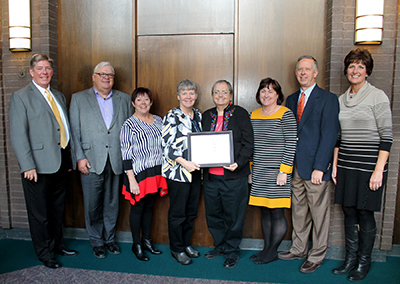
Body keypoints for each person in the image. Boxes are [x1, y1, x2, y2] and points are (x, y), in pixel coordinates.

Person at [9, 53, 78, 269]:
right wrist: (27, 164)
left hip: (59, 163)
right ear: (31, 72)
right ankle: (45, 253)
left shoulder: (58, 95)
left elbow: (63, 128)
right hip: (36, 167)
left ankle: (57, 245)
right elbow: (18, 134)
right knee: (40, 214)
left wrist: (68, 160)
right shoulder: (21, 97)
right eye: (40, 68)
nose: (44, 72)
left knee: (57, 210)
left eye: (47, 68)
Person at [331, 48, 393, 281]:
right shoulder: (341, 99)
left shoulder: (378, 96)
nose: (355, 70)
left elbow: (387, 137)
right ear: (346, 70)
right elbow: (338, 137)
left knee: (365, 213)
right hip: (346, 164)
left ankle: (363, 263)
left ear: (367, 71)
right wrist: (335, 165)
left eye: (360, 66)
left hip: (370, 166)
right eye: (352, 66)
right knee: (348, 210)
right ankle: (349, 259)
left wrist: (379, 170)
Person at [278, 55, 339, 273]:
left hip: (315, 168)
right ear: (296, 73)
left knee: (319, 215)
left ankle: (316, 255)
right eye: (299, 70)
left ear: (315, 73)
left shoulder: (328, 99)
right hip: (295, 167)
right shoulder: (292, 99)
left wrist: (320, 167)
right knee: (299, 212)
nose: (303, 73)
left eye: (307, 69)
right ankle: (298, 248)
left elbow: (330, 134)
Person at [69, 62, 133, 259]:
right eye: (102, 74)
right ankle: (97, 241)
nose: (106, 77)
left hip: (116, 160)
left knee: (112, 203)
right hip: (90, 160)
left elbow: (129, 131)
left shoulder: (124, 99)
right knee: (92, 204)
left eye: (110, 75)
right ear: (93, 77)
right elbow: (74, 131)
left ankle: (110, 239)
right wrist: (79, 157)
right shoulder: (79, 98)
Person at [202, 80, 254, 269]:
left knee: (234, 216)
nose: (220, 95)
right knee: (213, 214)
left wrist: (239, 163)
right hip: (210, 177)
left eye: (224, 92)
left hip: (234, 176)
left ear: (231, 94)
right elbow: (201, 143)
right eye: (217, 92)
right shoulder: (206, 115)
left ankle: (232, 251)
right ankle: (220, 246)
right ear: (212, 95)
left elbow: (249, 144)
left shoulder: (240, 114)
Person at [249, 78, 297, 265]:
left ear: (278, 94)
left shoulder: (286, 114)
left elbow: (291, 144)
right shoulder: (253, 115)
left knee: (277, 212)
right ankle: (266, 249)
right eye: (263, 91)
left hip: (278, 172)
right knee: (265, 211)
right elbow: (252, 145)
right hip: (259, 170)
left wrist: (284, 171)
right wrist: (251, 170)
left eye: (270, 91)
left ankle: (272, 252)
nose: (266, 95)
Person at [120, 87, 168, 261]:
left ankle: (147, 241)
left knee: (149, 207)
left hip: (156, 172)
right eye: (139, 100)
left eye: (146, 99)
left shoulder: (158, 120)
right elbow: (125, 155)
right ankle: (136, 244)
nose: (143, 103)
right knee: (138, 208)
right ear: (133, 103)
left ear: (151, 102)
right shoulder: (129, 124)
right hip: (138, 174)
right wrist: (131, 180)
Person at [162, 79, 202, 265]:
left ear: (196, 95)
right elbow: (166, 147)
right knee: (178, 213)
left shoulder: (199, 115)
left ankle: (186, 244)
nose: (188, 96)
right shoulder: (172, 116)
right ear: (178, 96)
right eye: (184, 93)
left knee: (190, 212)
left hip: (196, 173)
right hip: (178, 173)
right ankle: (176, 249)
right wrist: (184, 163)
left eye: (191, 92)